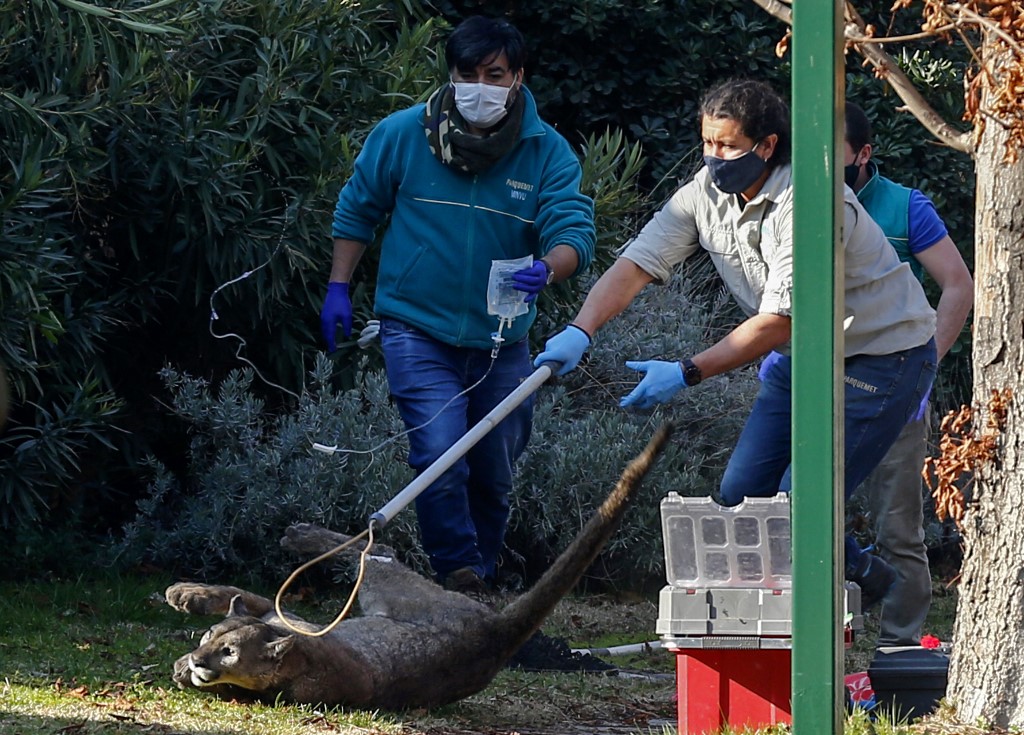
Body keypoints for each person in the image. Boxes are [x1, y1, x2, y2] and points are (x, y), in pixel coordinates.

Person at [535, 79, 937, 608]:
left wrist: (685, 370)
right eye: (707, 142)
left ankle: (836, 603)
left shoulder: (813, 201)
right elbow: (637, 264)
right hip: (808, 354)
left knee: (801, 505)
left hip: (884, 356)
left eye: (727, 146)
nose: (713, 157)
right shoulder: (702, 194)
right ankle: (804, 598)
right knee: (740, 498)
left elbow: (778, 322)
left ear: (767, 145)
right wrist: (580, 329)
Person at [319, 16, 595, 595]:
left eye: (494, 75)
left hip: (502, 340)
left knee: (493, 471)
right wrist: (339, 286)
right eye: (466, 74)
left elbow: (573, 228)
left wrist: (549, 266)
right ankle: (458, 576)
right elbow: (357, 209)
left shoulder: (545, 151)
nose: (479, 86)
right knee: (440, 452)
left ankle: (482, 578)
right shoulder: (402, 134)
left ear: (517, 77)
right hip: (416, 327)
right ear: (450, 74)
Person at [842, 102, 973, 643]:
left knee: (898, 528)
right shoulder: (794, 202)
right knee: (792, 510)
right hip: (819, 389)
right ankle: (812, 636)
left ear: (865, 155)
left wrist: (923, 368)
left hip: (895, 387)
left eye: (835, 154)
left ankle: (899, 649)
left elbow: (958, 286)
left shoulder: (903, 207)